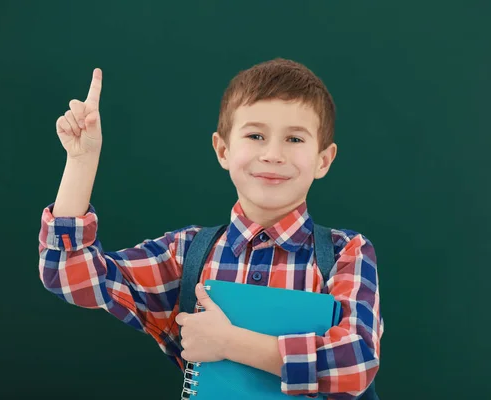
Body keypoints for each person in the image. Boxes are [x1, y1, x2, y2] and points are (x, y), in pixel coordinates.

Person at [38, 58, 383, 398]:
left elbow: (355, 364)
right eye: (256, 135)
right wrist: (81, 161)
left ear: (323, 160)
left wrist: (227, 342)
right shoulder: (186, 252)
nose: (273, 154)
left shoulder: (345, 252)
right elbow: (69, 274)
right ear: (222, 149)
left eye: (294, 139)